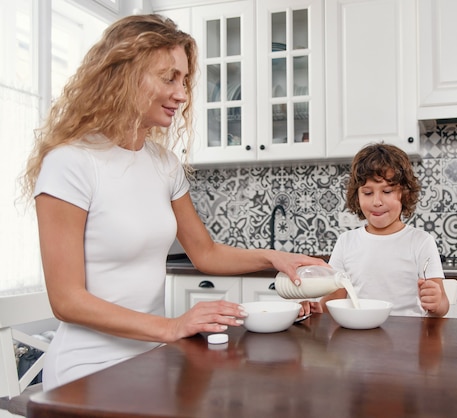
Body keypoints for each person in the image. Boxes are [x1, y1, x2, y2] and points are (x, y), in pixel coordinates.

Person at [20, 14, 325, 390]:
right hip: (88, 370)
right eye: (169, 78)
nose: (181, 94)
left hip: (151, 358)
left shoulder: (164, 165)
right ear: (124, 75)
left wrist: (274, 258)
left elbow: (206, 253)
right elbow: (66, 300)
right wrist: (172, 326)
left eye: (183, 80)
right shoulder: (70, 163)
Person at [318, 143, 449, 317]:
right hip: (358, 336)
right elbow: (331, 303)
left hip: (407, 337)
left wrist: (436, 301)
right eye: (367, 193)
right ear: (356, 196)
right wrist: (313, 308)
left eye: (387, 191)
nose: (377, 202)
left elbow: (442, 306)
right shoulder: (346, 242)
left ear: (405, 194)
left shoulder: (421, 242)